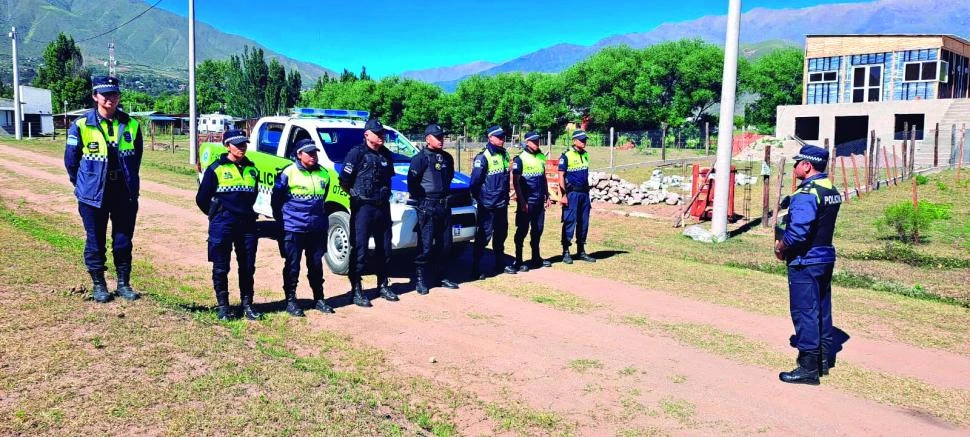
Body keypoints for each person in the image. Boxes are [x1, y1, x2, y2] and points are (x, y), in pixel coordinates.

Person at [64, 76, 143, 303]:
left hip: (123, 192)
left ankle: (123, 283)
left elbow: (136, 157)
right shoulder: (80, 125)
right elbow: (71, 161)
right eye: (105, 94)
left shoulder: (132, 124)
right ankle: (99, 285)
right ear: (95, 96)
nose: (110, 98)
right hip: (92, 194)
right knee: (95, 239)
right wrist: (82, 184)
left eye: (114, 94)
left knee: (123, 240)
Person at [775, 145, 842, 385]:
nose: (794, 167)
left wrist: (781, 246)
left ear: (807, 165)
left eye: (797, 163)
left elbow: (798, 233)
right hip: (824, 257)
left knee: (805, 312)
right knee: (822, 310)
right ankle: (823, 359)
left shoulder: (806, 193)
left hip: (806, 260)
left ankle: (808, 368)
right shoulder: (830, 189)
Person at [196, 129, 263, 321]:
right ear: (227, 146)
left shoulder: (252, 169)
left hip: (247, 225)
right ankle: (223, 306)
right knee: (221, 266)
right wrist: (216, 215)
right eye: (238, 144)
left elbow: (254, 194)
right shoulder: (216, 168)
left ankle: (247, 305)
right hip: (223, 224)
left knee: (248, 266)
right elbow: (201, 198)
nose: (242, 147)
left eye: (244, 144)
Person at [339, 118, 400, 307]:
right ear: (367, 135)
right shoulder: (356, 153)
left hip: (382, 207)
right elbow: (344, 180)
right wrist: (354, 195)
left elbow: (389, 179)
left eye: (382, 133)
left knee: (385, 249)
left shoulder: (386, 155)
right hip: (362, 208)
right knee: (360, 250)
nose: (381, 136)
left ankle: (382, 285)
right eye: (377, 133)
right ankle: (356, 290)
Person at [272, 139, 334, 316]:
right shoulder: (288, 172)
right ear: (299, 154)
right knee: (292, 265)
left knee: (316, 264)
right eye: (309, 153)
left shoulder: (324, 173)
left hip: (316, 228)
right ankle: (291, 301)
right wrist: (281, 223)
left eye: (315, 152)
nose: (313, 156)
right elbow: (276, 200)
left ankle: (319, 298)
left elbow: (324, 197)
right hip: (293, 227)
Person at [408, 123, 460, 294]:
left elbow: (450, 177)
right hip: (427, 207)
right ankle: (420, 279)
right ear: (427, 139)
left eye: (442, 137)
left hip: (444, 206)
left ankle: (441, 276)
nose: (441, 140)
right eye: (437, 137)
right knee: (426, 246)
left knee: (445, 245)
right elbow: (412, 183)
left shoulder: (447, 158)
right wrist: (422, 202)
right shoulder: (420, 158)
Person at [469, 125, 516, 279]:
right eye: (499, 137)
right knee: (483, 236)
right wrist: (481, 199)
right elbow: (475, 183)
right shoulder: (483, 157)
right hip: (487, 204)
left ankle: (499, 263)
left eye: (503, 137)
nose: (502, 139)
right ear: (490, 138)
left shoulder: (504, 155)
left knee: (501, 235)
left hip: (502, 203)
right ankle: (476, 267)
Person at [511, 132, 552, 271]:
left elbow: (543, 177)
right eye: (534, 142)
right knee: (522, 230)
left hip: (539, 201)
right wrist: (522, 201)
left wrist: (547, 195)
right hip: (527, 202)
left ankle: (536, 258)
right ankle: (518, 260)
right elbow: (516, 182)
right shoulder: (520, 159)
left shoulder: (541, 156)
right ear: (527, 142)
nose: (537, 144)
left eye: (538, 141)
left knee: (538, 230)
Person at [558, 129, 596, 264]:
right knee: (569, 221)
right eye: (581, 139)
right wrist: (563, 195)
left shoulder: (586, 155)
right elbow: (561, 176)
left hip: (584, 194)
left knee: (584, 222)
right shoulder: (566, 156)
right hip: (572, 194)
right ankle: (566, 251)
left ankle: (581, 250)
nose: (584, 142)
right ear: (574, 141)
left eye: (585, 139)